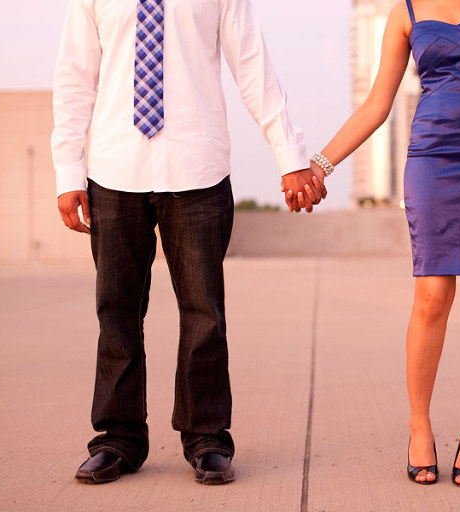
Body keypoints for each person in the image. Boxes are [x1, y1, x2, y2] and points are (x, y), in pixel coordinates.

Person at [51, 0, 325, 485]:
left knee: (203, 313)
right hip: (115, 170)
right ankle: (118, 438)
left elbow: (252, 65)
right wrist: (68, 170)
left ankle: (207, 438)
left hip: (197, 167)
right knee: (115, 312)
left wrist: (290, 156)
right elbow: (75, 75)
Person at [285, 0, 460, 487]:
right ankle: (419, 425)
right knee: (431, 296)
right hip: (434, 155)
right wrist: (318, 166)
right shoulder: (405, 10)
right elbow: (376, 105)